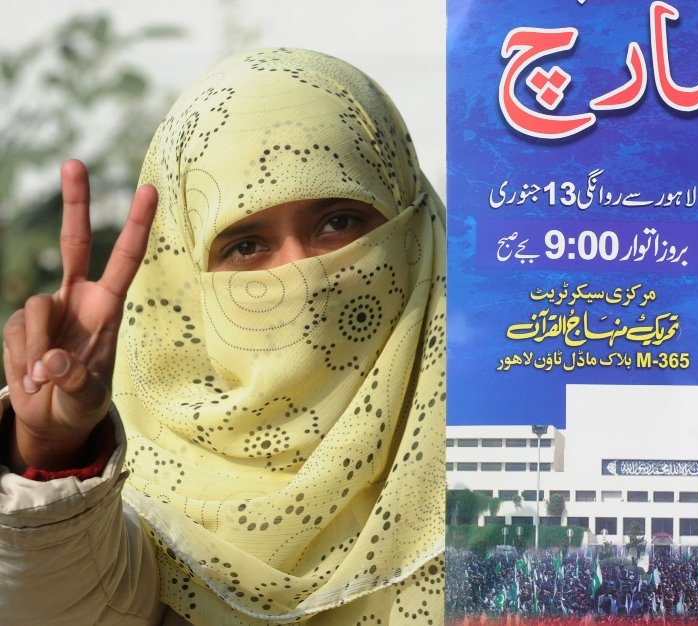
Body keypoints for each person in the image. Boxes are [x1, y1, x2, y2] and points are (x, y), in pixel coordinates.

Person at [0, 48, 445, 625]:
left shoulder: (519, 451)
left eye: (339, 221)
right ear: (187, 281)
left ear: (411, 224)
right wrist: (53, 450)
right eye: (246, 245)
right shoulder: (142, 499)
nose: (300, 274)